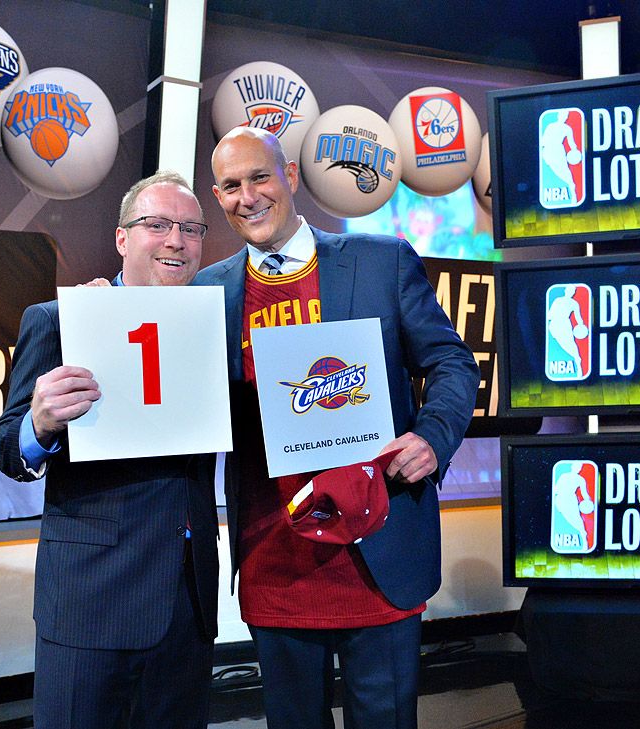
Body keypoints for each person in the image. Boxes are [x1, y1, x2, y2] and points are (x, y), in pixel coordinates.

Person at [195, 127, 480, 729]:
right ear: (217, 197)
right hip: (274, 559)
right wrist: (107, 296)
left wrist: (432, 437)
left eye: (260, 177)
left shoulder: (382, 260)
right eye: (230, 185)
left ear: (290, 175)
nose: (247, 196)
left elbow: (451, 362)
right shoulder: (207, 291)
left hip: (379, 551)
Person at [0, 171, 218, 729]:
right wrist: (39, 424)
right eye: (157, 225)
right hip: (90, 599)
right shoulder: (59, 321)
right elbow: (7, 447)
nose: (176, 240)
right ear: (122, 238)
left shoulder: (212, 325)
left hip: (187, 603)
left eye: (191, 229)